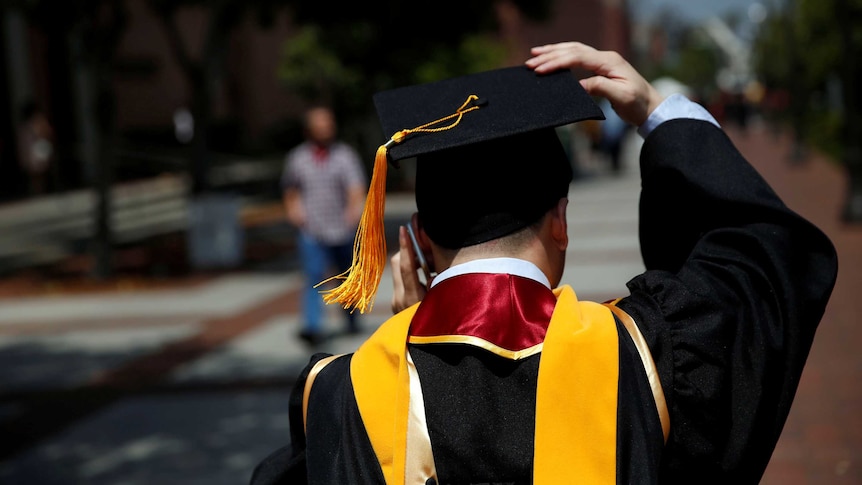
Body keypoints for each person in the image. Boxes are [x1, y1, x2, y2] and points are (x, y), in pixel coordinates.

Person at [252, 42, 837, 484]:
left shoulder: (340, 394)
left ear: (418, 242)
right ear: (561, 220)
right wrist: (659, 113)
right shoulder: (645, 357)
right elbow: (763, 255)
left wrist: (406, 338)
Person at [281, 105, 367, 345]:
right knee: (313, 276)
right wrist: (293, 210)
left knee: (345, 277)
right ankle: (312, 326)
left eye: (328, 124)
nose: (325, 128)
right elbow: (290, 187)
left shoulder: (344, 155)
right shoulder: (298, 157)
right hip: (312, 229)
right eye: (320, 124)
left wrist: (353, 212)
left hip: (341, 227)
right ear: (309, 129)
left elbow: (355, 187)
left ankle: (351, 319)